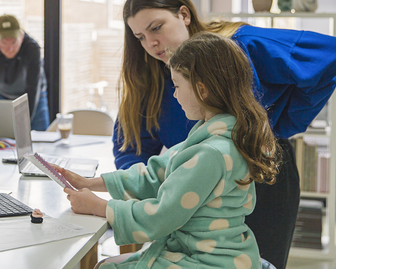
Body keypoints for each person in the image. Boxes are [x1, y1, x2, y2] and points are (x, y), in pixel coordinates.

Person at [110, 0, 335, 269]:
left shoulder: (239, 45)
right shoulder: (148, 78)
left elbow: (328, 56)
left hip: (259, 179)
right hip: (196, 187)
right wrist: (144, 190)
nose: (151, 43)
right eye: (139, 36)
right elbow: (132, 146)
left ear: (184, 15)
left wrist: (280, 123)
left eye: (156, 28)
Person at [57, 32, 280, 269]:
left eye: (177, 85)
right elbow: (156, 173)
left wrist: (99, 207)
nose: (174, 94)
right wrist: (91, 183)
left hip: (207, 260)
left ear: (201, 90)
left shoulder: (212, 153)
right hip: (216, 253)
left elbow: (162, 216)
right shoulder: (217, 134)